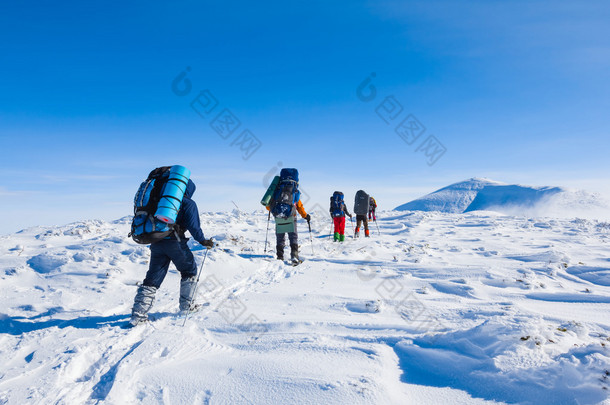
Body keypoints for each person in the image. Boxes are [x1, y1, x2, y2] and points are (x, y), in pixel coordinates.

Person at [130, 178, 214, 327]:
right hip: (175, 242)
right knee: (189, 271)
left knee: (153, 278)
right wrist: (203, 241)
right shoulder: (188, 203)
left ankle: (138, 315)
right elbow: (194, 227)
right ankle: (187, 307)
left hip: (156, 242)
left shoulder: (158, 200)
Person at [267, 168, 310, 264]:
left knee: (280, 237)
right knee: (293, 236)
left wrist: (275, 210)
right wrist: (305, 216)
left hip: (278, 216)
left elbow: (268, 205)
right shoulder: (294, 191)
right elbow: (299, 205)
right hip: (291, 215)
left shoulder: (277, 189)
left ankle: (280, 256)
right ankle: (294, 256)